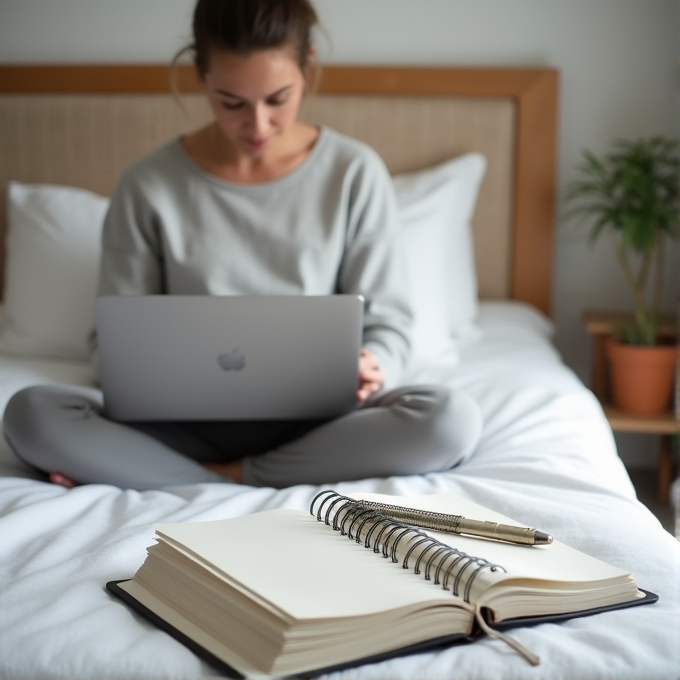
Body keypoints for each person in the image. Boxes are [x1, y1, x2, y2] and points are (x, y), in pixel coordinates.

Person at [3, 0, 482, 491]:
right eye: (231, 101)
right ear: (200, 77)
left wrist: (372, 363)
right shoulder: (147, 184)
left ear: (308, 66)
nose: (257, 125)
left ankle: (203, 480)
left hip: (320, 424)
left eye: (278, 98)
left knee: (449, 420)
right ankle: (232, 476)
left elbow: (390, 327)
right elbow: (112, 345)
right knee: (30, 414)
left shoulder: (354, 173)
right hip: (178, 425)